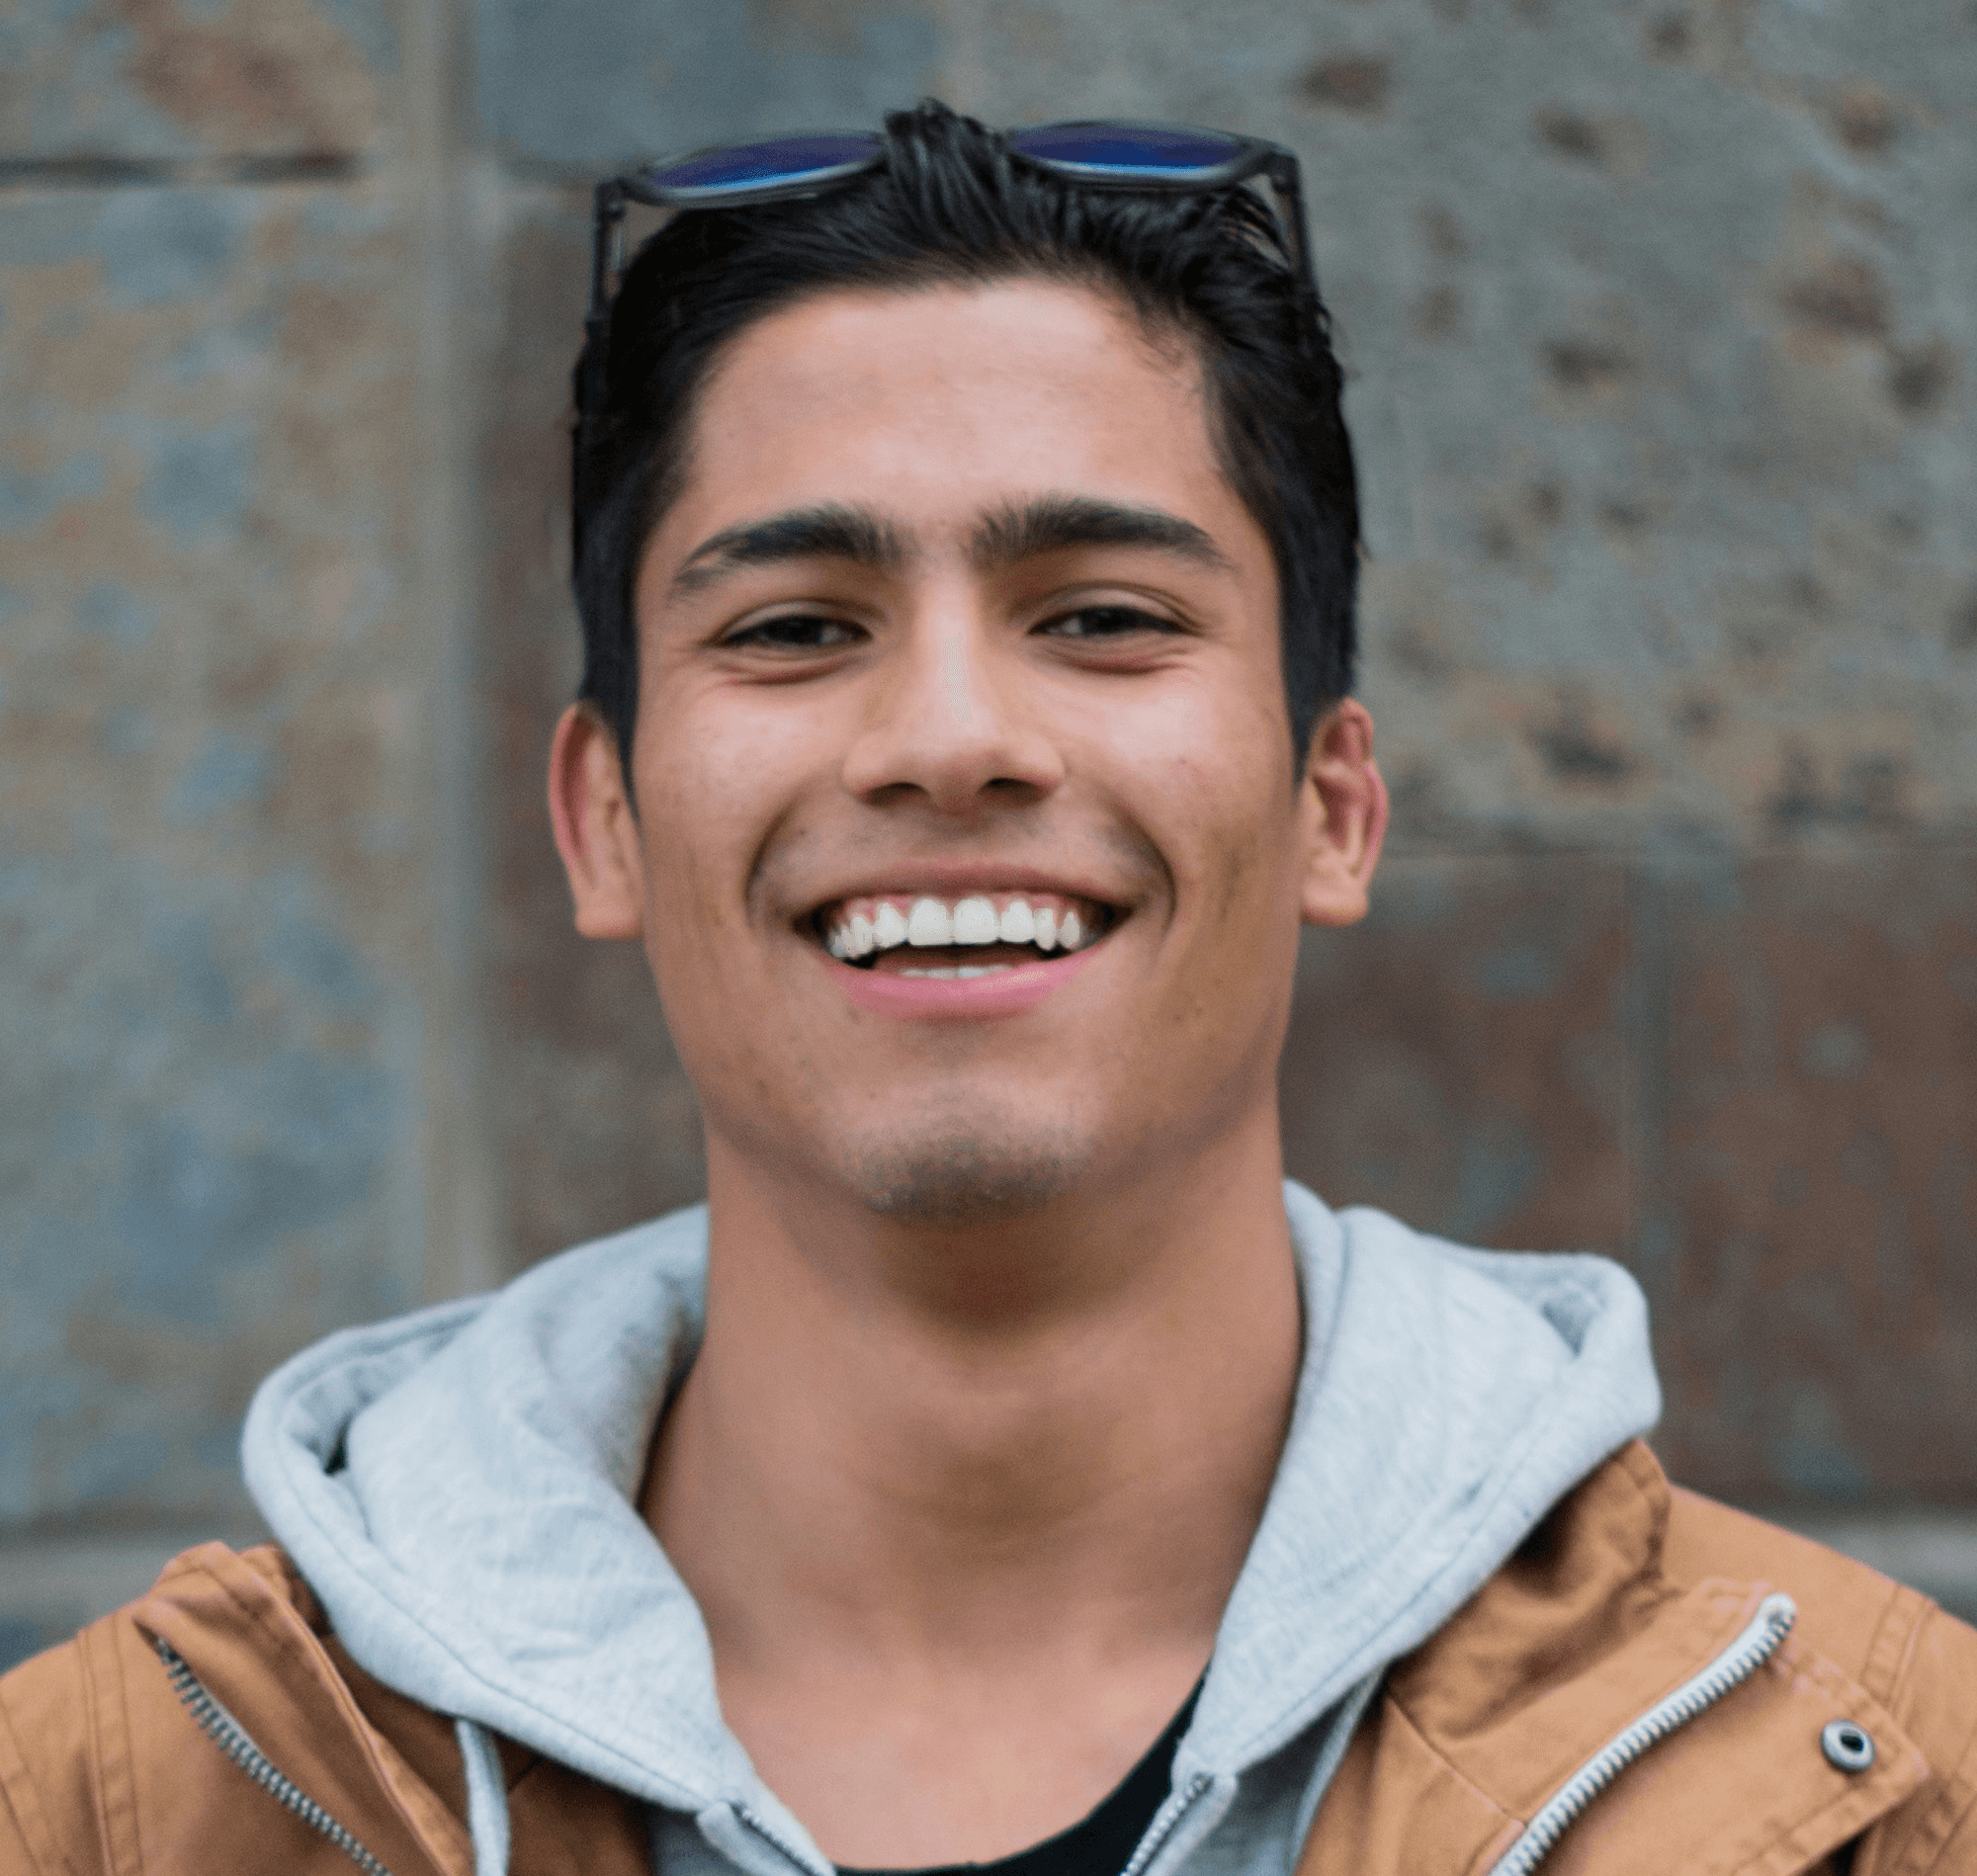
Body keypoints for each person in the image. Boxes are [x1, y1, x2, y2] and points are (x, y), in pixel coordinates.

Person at [3, 100, 1973, 1876]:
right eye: (796, 628)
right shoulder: (108, 1816)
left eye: (1101, 616)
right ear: (604, 823)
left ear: (1332, 806)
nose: (949, 736)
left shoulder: (1878, 1800)